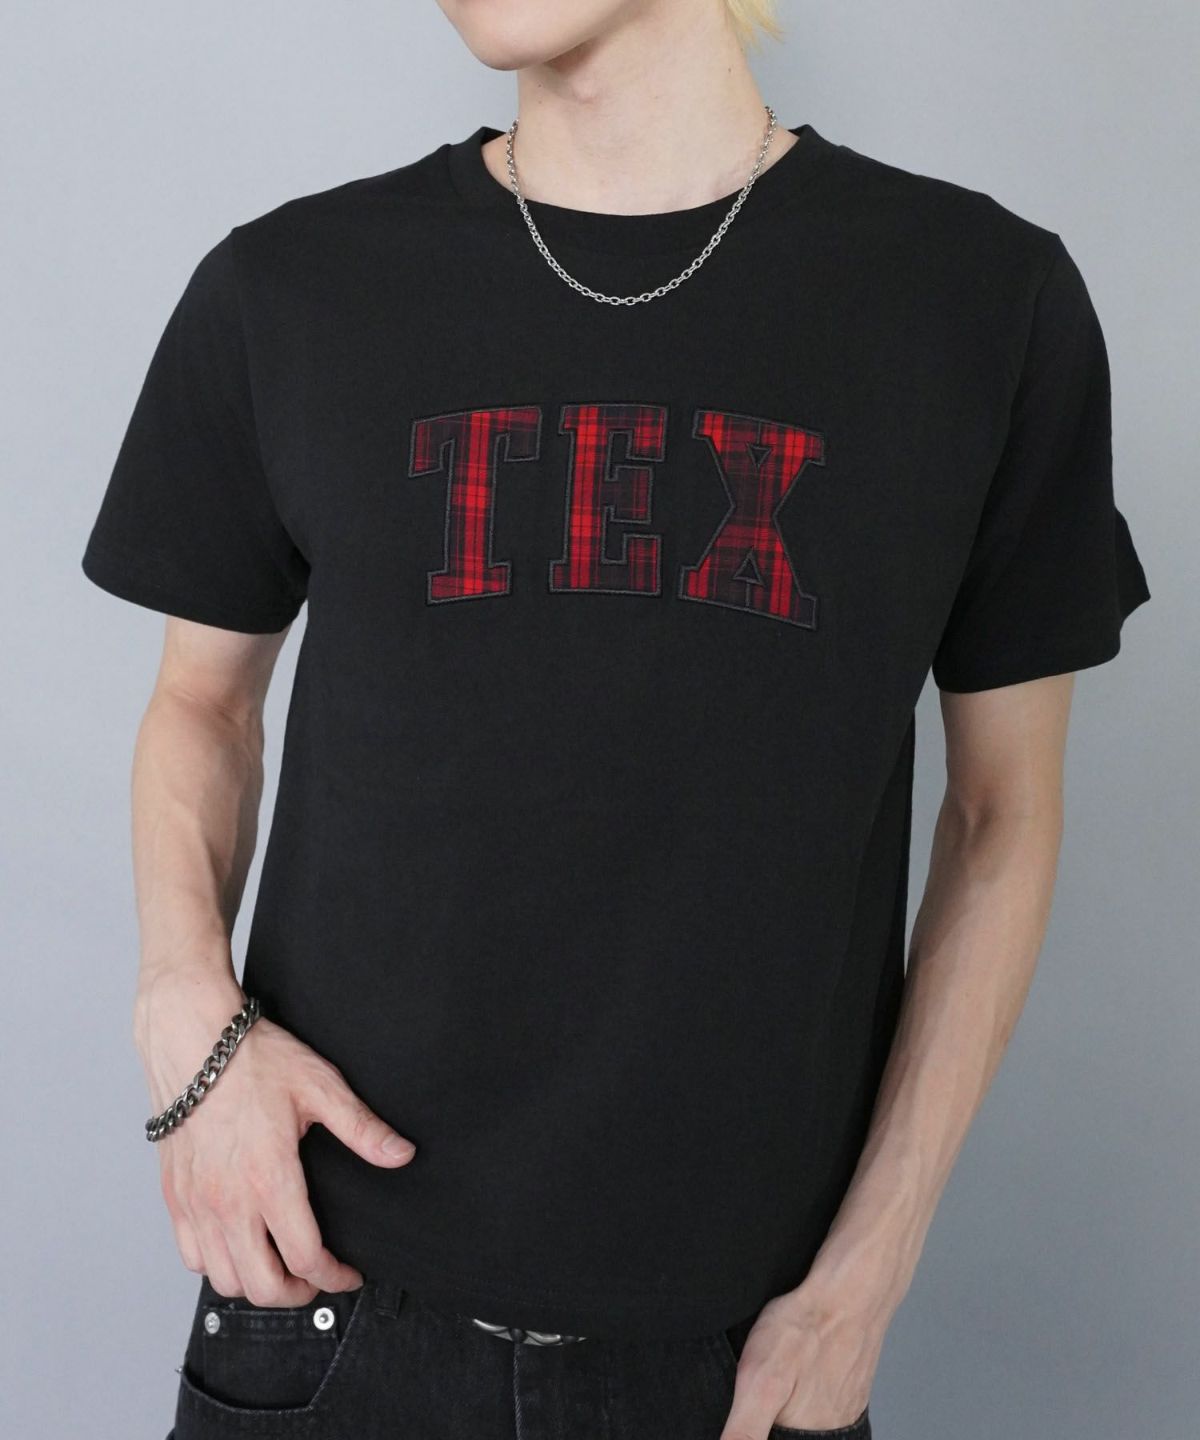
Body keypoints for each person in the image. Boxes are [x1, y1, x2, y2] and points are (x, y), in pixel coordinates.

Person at [79, 1, 1151, 1437]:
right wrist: (183, 1024)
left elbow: (1002, 811)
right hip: (321, 1308)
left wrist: (873, 1267)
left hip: (741, 1361)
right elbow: (199, 706)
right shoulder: (293, 285)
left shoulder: (977, 300)